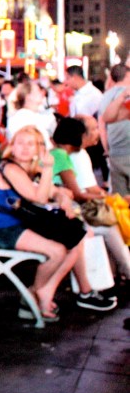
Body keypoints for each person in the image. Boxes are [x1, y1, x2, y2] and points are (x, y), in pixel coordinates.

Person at [0, 124, 116, 319]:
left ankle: (45, 293)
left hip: (19, 225)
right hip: (3, 230)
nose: (25, 148)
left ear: (39, 148)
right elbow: (40, 198)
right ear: (12, 146)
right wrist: (47, 168)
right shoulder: (10, 168)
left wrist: (63, 199)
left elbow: (60, 191)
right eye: (20, 143)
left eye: (31, 144)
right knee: (57, 251)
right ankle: (33, 293)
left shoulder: (28, 167)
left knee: (75, 239)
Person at [51, 116, 130, 284]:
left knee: (109, 225)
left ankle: (115, 276)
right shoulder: (62, 156)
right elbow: (77, 194)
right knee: (108, 227)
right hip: (64, 213)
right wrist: (108, 197)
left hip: (64, 211)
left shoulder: (59, 154)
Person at [98, 63, 130, 197]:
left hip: (115, 152)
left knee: (120, 199)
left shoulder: (106, 96)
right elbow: (106, 119)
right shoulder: (125, 95)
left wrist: (107, 149)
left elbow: (102, 123)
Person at [5, 78, 57, 149]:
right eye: (38, 91)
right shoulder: (20, 118)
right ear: (28, 96)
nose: (42, 93)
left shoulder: (39, 115)